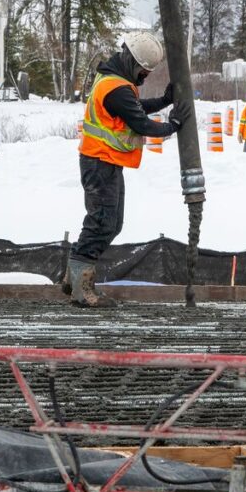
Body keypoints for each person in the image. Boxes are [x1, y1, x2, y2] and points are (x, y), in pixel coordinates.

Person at [67, 32, 181, 307]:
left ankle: (74, 277)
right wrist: (172, 127)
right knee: (102, 222)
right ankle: (81, 289)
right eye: (143, 71)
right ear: (133, 62)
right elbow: (141, 123)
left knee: (111, 223)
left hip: (104, 161)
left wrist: (164, 102)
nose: (144, 77)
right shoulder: (116, 88)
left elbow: (135, 107)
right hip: (99, 162)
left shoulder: (114, 81)